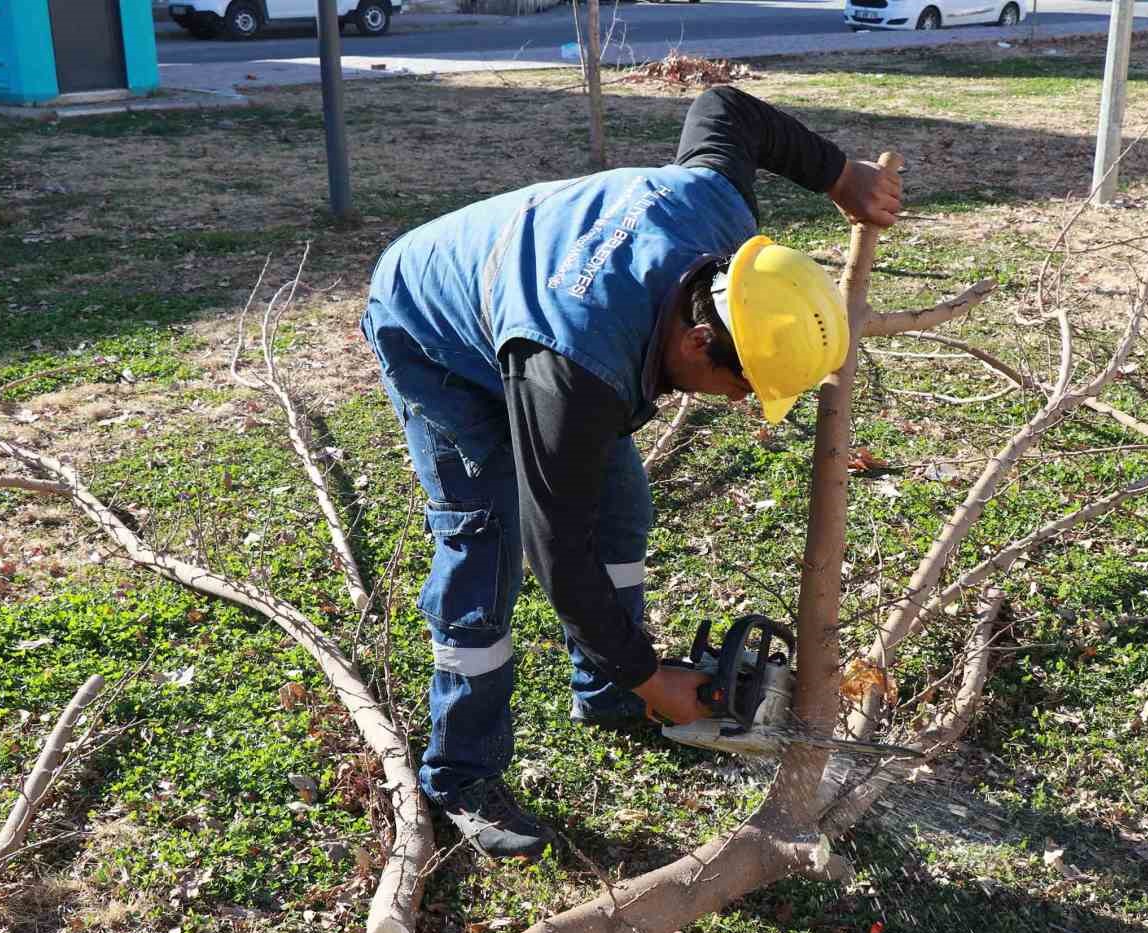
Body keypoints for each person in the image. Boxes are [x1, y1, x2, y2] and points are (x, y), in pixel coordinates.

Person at [361, 86, 902, 860]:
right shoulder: (577, 374)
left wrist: (838, 175)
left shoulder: (716, 209)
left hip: (548, 314)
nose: (746, 404)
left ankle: (607, 691)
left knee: (620, 508)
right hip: (434, 329)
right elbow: (558, 555)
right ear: (697, 344)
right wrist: (656, 677)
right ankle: (460, 773)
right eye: (745, 385)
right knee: (486, 542)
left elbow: (725, 110)